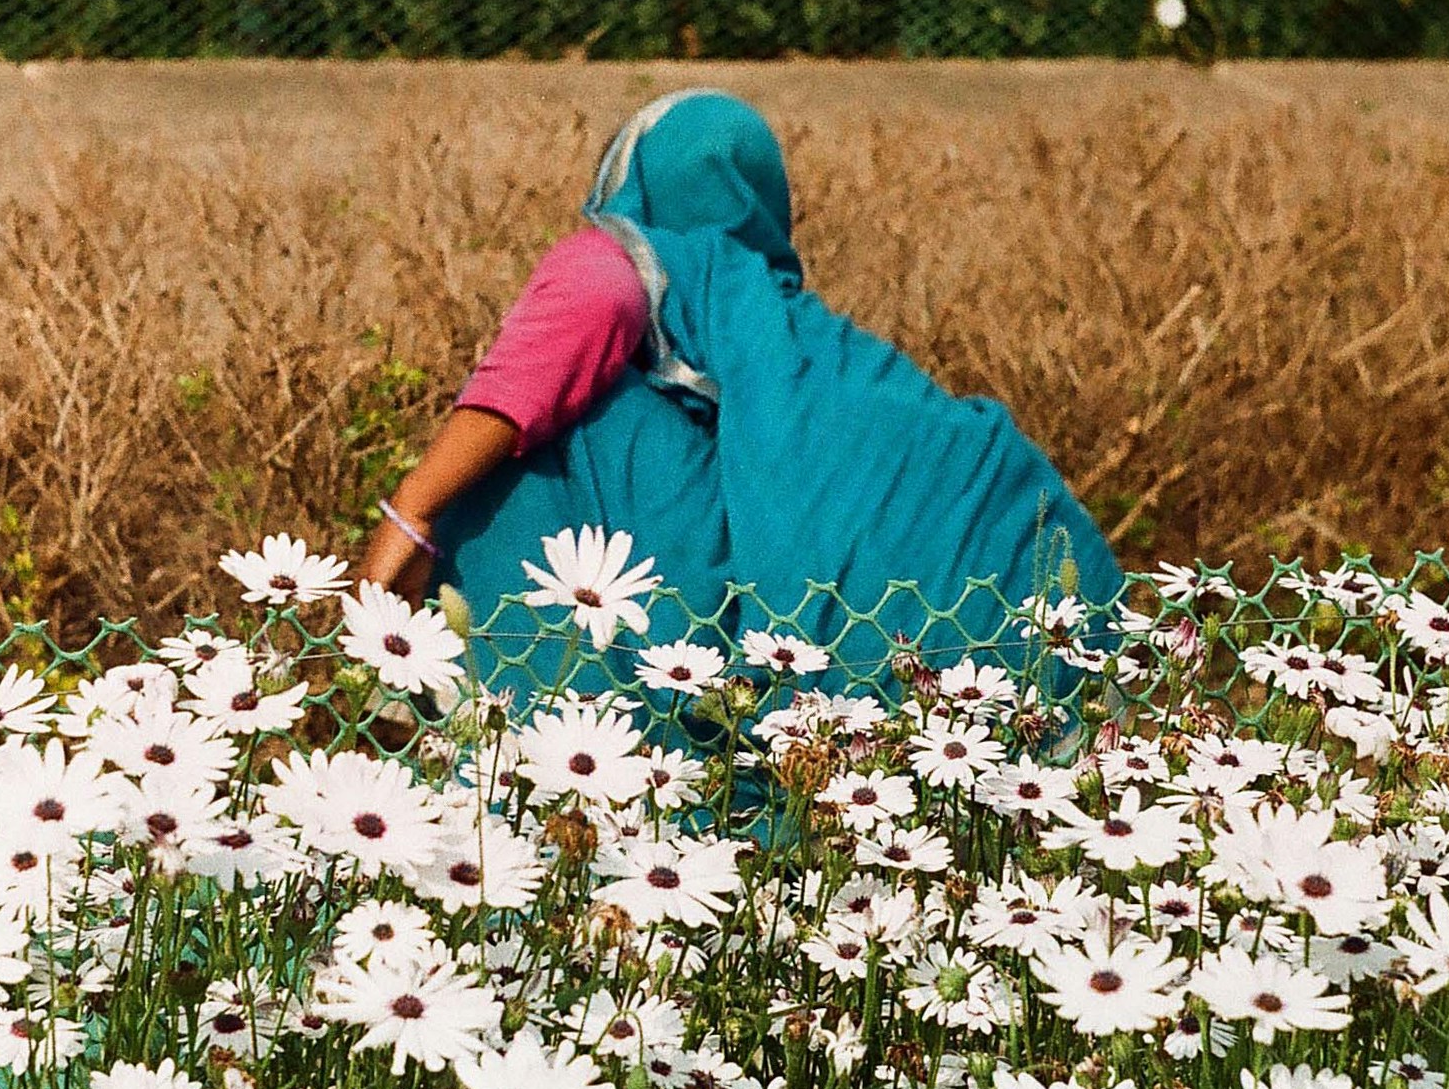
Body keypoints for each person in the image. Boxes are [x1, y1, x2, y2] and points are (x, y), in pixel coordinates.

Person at [355, 89, 1116, 710]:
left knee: (565, 419)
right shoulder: (811, 347)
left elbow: (592, 295)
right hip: (997, 652)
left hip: (813, 684)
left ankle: (474, 716)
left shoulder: (650, 259)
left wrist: (415, 508)